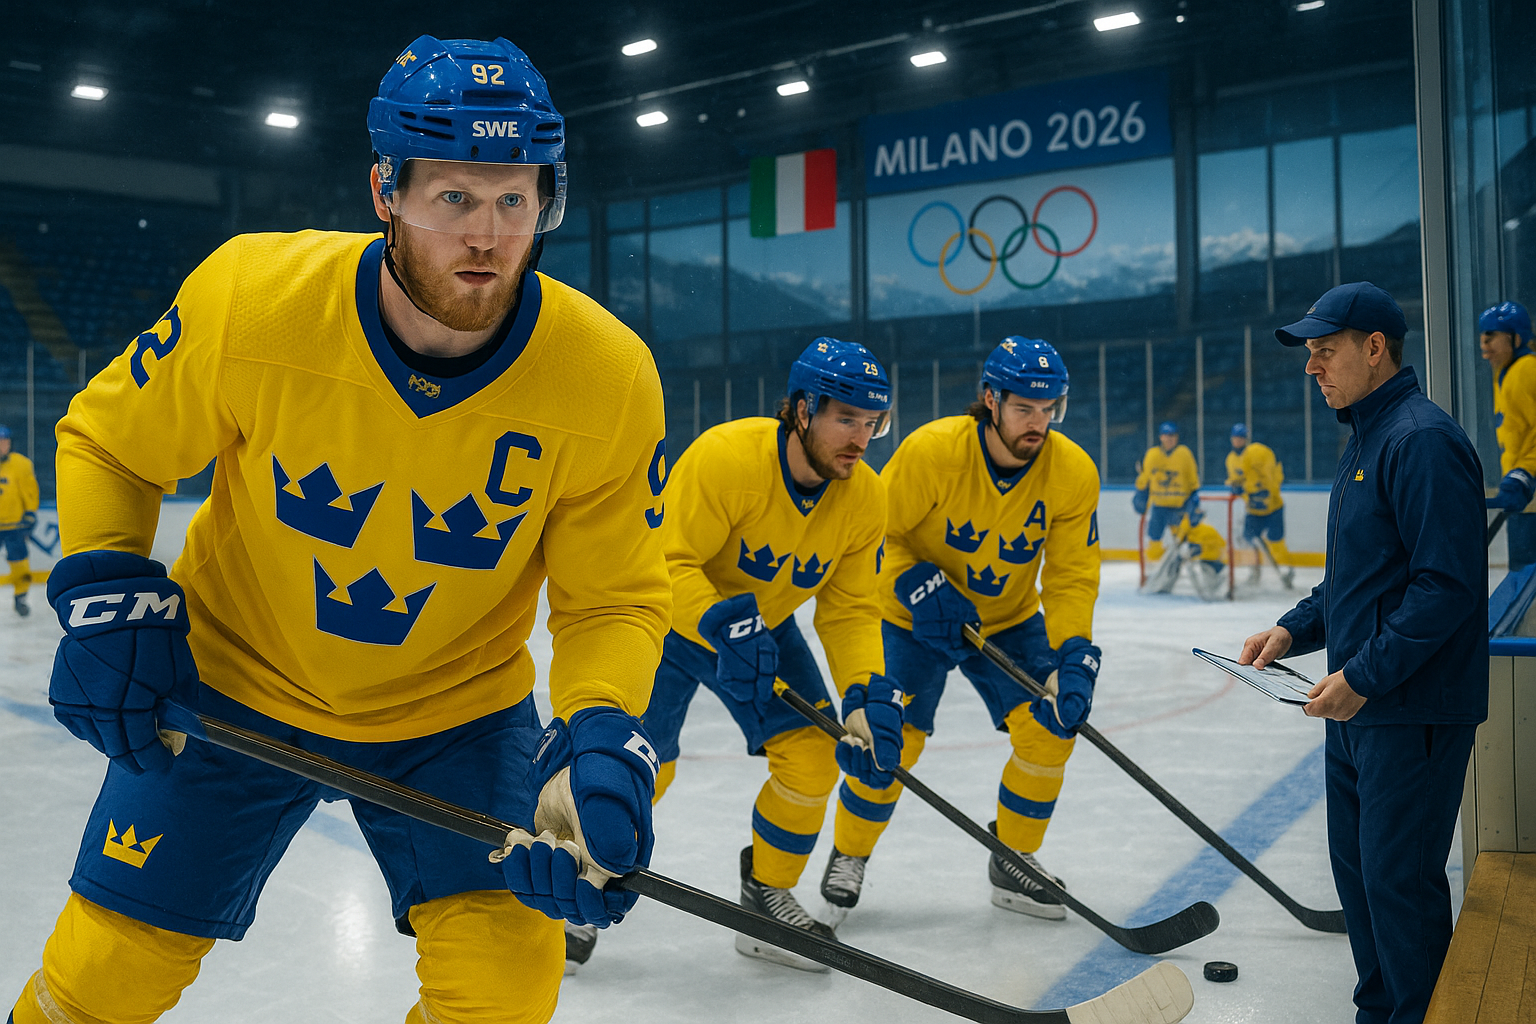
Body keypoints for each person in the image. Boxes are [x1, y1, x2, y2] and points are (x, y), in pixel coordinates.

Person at [10, 36, 672, 1024]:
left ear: (549, 199)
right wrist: (105, 585)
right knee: (103, 974)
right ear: (385, 191)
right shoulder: (255, 300)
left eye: (514, 198)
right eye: (454, 197)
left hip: (456, 715)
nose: (487, 236)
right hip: (234, 683)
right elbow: (113, 443)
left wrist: (600, 732)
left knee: (505, 989)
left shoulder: (609, 379)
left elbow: (611, 597)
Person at [591, 338, 897, 974]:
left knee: (813, 756)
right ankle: (580, 882)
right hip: (670, 622)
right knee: (638, 762)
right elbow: (666, 561)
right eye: (847, 419)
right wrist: (720, 621)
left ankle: (764, 900)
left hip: (765, 628)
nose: (861, 439)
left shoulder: (864, 498)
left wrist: (864, 692)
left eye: (873, 423)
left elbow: (850, 610)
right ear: (803, 409)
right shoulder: (727, 457)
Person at [1239, 281, 1487, 1024]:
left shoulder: (1421, 440)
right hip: (1361, 708)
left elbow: (1446, 586)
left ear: (1375, 348)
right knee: (1362, 883)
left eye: (1325, 350)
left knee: (1399, 888)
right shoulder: (1367, 439)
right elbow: (1357, 581)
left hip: (1408, 709)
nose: (1311, 366)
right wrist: (1293, 630)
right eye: (1309, 354)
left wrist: (1364, 676)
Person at [820, 337, 1101, 925]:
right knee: (891, 740)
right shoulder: (933, 452)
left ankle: (1014, 858)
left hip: (1008, 620)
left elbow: (1072, 574)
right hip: (910, 620)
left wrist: (1075, 650)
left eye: (1048, 409)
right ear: (990, 400)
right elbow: (871, 537)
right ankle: (849, 852)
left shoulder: (1073, 472)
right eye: (1023, 408)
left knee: (1050, 729)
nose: (1038, 423)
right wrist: (915, 582)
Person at [1479, 301, 1536, 569]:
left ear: (1516, 337)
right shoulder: (1506, 373)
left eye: (1491, 336)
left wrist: (1524, 473)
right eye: (1482, 336)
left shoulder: (1526, 370)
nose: (1483, 344)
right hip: (1524, 497)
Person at [1224, 423, 1294, 586]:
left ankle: (1286, 570)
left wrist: (1266, 491)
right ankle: (1254, 570)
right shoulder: (1231, 459)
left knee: (1276, 541)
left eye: (1241, 437)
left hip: (1273, 508)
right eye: (1235, 437)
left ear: (1246, 439)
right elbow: (1236, 482)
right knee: (1248, 540)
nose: (1238, 441)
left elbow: (1271, 476)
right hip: (1253, 510)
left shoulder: (1258, 452)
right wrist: (1239, 489)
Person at [1134, 420, 1199, 563]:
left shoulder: (1184, 454)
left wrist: (1194, 497)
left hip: (1179, 507)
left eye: (1172, 435)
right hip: (1159, 507)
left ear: (1177, 437)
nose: (1169, 439)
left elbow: (1192, 479)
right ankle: (1153, 568)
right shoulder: (1152, 454)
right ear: (1160, 437)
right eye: (1166, 435)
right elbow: (1145, 479)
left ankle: (1190, 567)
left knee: (1185, 541)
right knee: (1154, 540)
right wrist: (1140, 494)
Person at [1141, 502, 1228, 601]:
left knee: (1180, 556)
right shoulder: (1187, 524)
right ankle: (1159, 584)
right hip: (1207, 559)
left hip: (1212, 563)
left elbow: (1219, 548)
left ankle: (1159, 584)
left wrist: (1199, 549)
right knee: (1176, 555)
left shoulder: (1200, 527)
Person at [0, 423, 39, 617]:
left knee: (19, 562)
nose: (2, 445)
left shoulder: (21, 464)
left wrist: (30, 511)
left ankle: (21, 596)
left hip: (14, 524)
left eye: (5, 441)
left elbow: (30, 490)